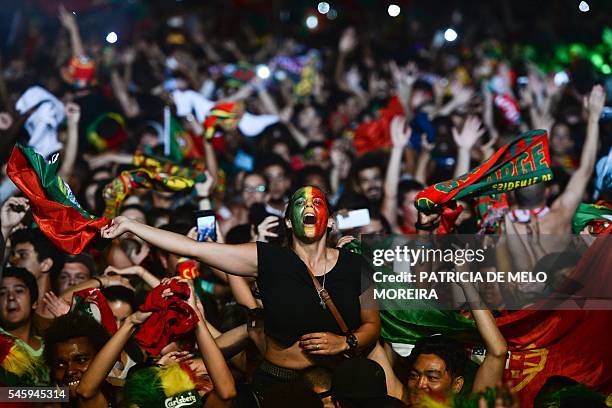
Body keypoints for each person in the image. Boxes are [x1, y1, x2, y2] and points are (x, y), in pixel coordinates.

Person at [101, 185, 380, 400]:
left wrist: (345, 343)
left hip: (337, 384)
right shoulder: (265, 258)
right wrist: (131, 225)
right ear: (287, 222)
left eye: (317, 202)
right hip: (279, 385)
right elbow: (193, 248)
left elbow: (372, 324)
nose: (309, 205)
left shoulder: (356, 266)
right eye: (300, 203)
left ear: (331, 222)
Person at [0, 267, 50, 386]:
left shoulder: (49, 346)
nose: (11, 297)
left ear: (34, 303)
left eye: (19, 291)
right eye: (2, 293)